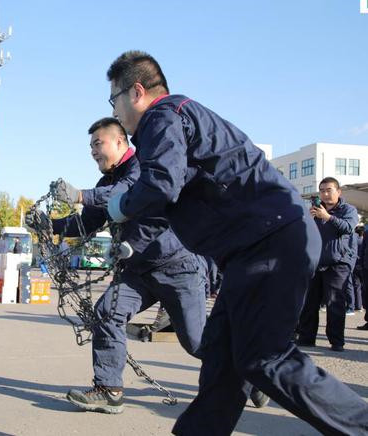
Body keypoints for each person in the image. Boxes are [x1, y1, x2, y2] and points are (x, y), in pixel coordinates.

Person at [103, 50, 368, 434]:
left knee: (265, 357)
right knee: (222, 360)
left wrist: (120, 206)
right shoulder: (177, 120)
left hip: (269, 243)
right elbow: (168, 199)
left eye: (114, 100)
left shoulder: (163, 117)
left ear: (138, 91)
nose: (115, 110)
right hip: (261, 245)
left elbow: (159, 185)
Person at [45, 116, 208, 414]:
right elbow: (87, 222)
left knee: (196, 342)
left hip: (177, 267)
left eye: (98, 143)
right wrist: (50, 224)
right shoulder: (105, 181)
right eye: (90, 146)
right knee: (107, 312)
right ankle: (109, 389)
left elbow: (128, 193)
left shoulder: (143, 167)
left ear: (119, 142)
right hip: (138, 271)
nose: (93, 151)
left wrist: (81, 195)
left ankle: (250, 377)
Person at [297, 178, 358, 351]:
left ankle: (337, 341)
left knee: (335, 303)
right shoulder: (315, 211)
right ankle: (306, 337)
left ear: (338, 192)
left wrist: (328, 217)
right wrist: (307, 219)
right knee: (309, 303)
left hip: (338, 263)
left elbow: (348, 227)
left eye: (329, 190)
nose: (324, 193)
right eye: (322, 190)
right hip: (316, 263)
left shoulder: (348, 210)